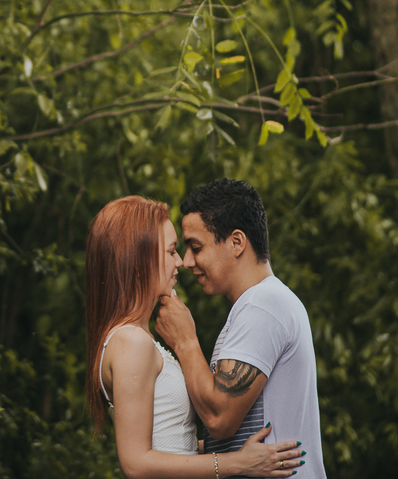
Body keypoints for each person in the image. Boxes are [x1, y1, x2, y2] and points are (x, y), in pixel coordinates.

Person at [86, 195, 307, 479]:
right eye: (171, 251)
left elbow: (173, 443)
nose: (180, 261)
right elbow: (136, 463)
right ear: (138, 258)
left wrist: (238, 454)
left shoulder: (138, 339)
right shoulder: (132, 343)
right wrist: (236, 462)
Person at [156, 179, 326, 479]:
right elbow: (229, 439)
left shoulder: (262, 305)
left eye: (196, 247)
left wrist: (185, 342)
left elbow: (220, 419)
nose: (187, 261)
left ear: (237, 242)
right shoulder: (260, 304)